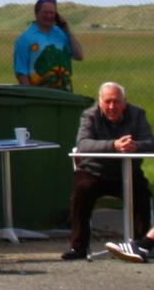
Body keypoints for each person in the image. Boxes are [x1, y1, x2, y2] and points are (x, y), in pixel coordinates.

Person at [62, 81, 152, 261]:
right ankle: (78, 247)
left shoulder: (137, 115)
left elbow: (150, 142)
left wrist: (135, 145)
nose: (112, 106)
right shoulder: (90, 116)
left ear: (124, 102)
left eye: (117, 102)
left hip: (128, 173)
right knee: (81, 193)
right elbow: (83, 144)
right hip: (95, 172)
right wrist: (114, 145)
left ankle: (142, 246)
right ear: (100, 102)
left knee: (142, 194)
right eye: (108, 102)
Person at [12, 0, 84, 90]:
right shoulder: (25, 39)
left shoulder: (62, 34)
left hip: (65, 93)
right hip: (41, 95)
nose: (49, 16)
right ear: (36, 13)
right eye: (45, 13)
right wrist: (30, 95)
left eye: (52, 13)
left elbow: (79, 56)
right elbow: (21, 73)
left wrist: (68, 31)